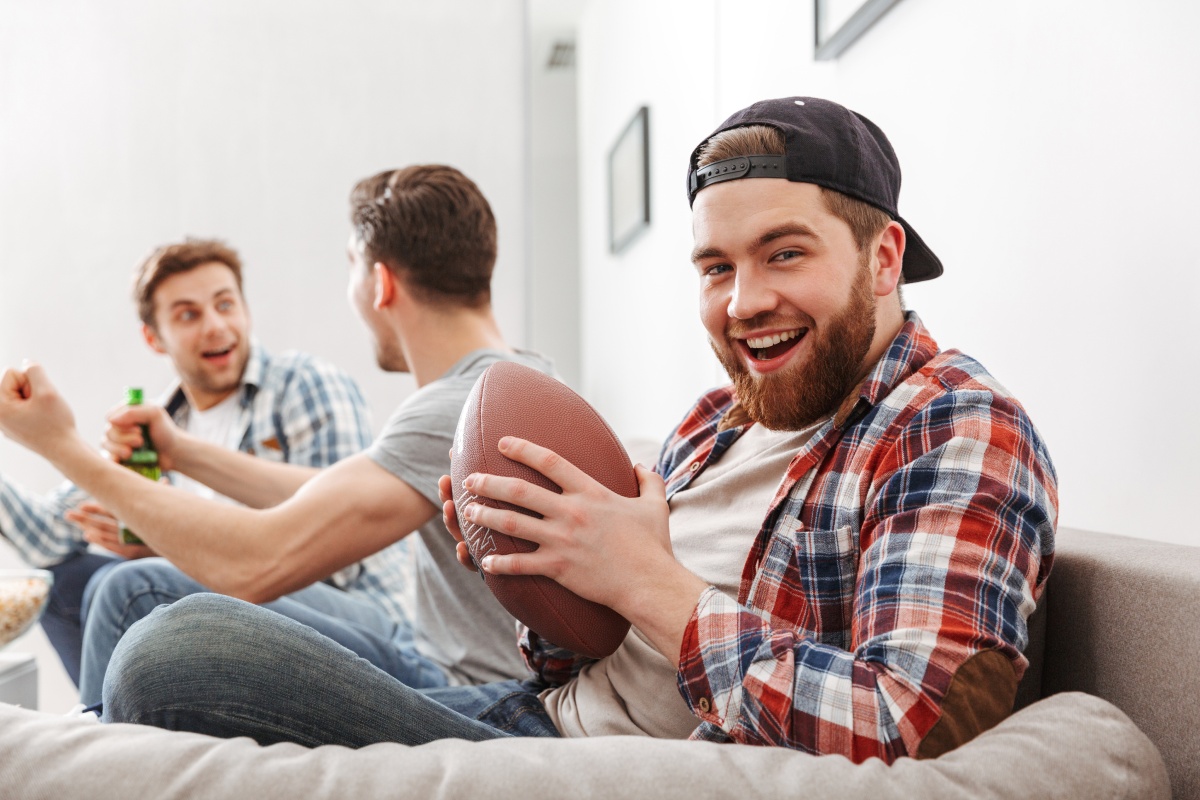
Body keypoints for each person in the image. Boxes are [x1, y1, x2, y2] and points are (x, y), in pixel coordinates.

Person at [2, 99, 1057, 763]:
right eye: (715, 268)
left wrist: (644, 578)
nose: (742, 302)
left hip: (564, 755)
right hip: (533, 707)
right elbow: (584, 657)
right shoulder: (715, 419)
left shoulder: (949, 424)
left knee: (163, 642)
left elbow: (905, 720)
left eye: (785, 254)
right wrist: (544, 577)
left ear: (883, 261)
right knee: (142, 604)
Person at [1, 164, 553, 707]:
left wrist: (59, 444)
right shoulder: (524, 381)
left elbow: (256, 563)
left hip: (465, 686)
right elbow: (325, 492)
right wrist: (180, 451)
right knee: (94, 582)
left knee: (133, 588)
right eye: (189, 314)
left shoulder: (453, 408)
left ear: (379, 283)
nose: (215, 326)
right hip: (465, 666)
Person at [0, 238, 376, 686]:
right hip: (240, 609)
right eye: (188, 315)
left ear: (245, 309)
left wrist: (170, 538)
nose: (215, 326)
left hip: (351, 615)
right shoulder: (153, 426)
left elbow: (344, 548)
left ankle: (104, 734)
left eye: (225, 304)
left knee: (123, 583)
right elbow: (47, 537)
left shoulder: (304, 384)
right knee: (67, 581)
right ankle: (123, 723)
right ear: (153, 337)